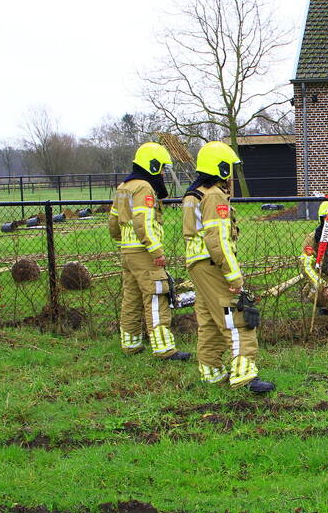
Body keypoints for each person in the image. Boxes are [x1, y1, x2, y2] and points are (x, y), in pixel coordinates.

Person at [182, 141, 274, 393]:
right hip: (213, 265)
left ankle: (211, 371)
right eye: (229, 168)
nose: (231, 174)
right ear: (221, 168)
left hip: (198, 265)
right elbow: (219, 240)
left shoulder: (194, 193)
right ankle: (244, 376)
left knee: (210, 319)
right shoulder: (214, 195)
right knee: (236, 317)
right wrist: (234, 277)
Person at [108, 142, 190, 361]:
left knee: (131, 298)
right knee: (156, 297)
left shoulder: (123, 187)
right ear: (152, 166)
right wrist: (156, 252)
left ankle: (131, 344)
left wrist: (123, 241)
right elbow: (142, 222)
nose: (162, 173)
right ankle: (164, 349)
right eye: (161, 168)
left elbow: (113, 221)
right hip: (144, 253)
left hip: (128, 252)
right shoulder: (144, 187)